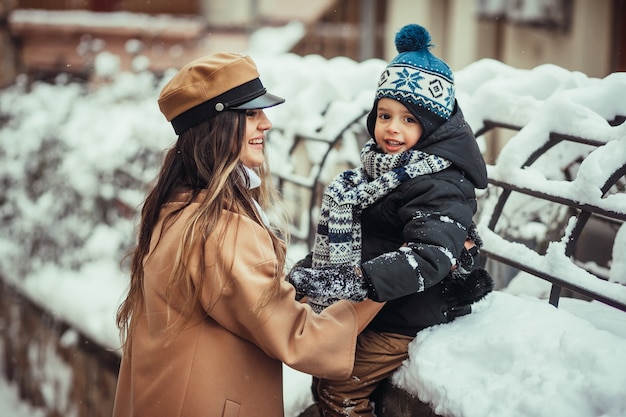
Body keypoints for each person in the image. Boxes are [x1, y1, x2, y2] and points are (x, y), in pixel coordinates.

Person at [111, 52, 384, 417]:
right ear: (217, 126)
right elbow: (302, 339)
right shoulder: (218, 229)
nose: (266, 124)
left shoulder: (177, 207)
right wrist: (386, 281)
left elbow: (250, 301)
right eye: (251, 114)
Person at [287, 24, 493, 416]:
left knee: (339, 386)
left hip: (409, 316)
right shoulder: (382, 172)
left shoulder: (439, 183)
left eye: (408, 119)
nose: (392, 128)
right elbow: (364, 239)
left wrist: (359, 280)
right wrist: (308, 273)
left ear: (431, 128)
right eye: (385, 115)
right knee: (321, 364)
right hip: (379, 308)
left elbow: (430, 255)